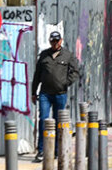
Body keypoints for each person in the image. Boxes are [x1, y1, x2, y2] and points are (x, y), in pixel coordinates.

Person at [32, 32, 80, 162]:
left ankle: (57, 151)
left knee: (59, 122)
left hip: (60, 94)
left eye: (57, 41)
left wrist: (65, 82)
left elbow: (75, 72)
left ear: (61, 41)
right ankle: (41, 150)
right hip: (45, 94)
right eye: (52, 41)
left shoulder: (67, 55)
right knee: (43, 120)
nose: (54, 43)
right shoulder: (44, 55)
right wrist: (33, 92)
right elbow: (37, 74)